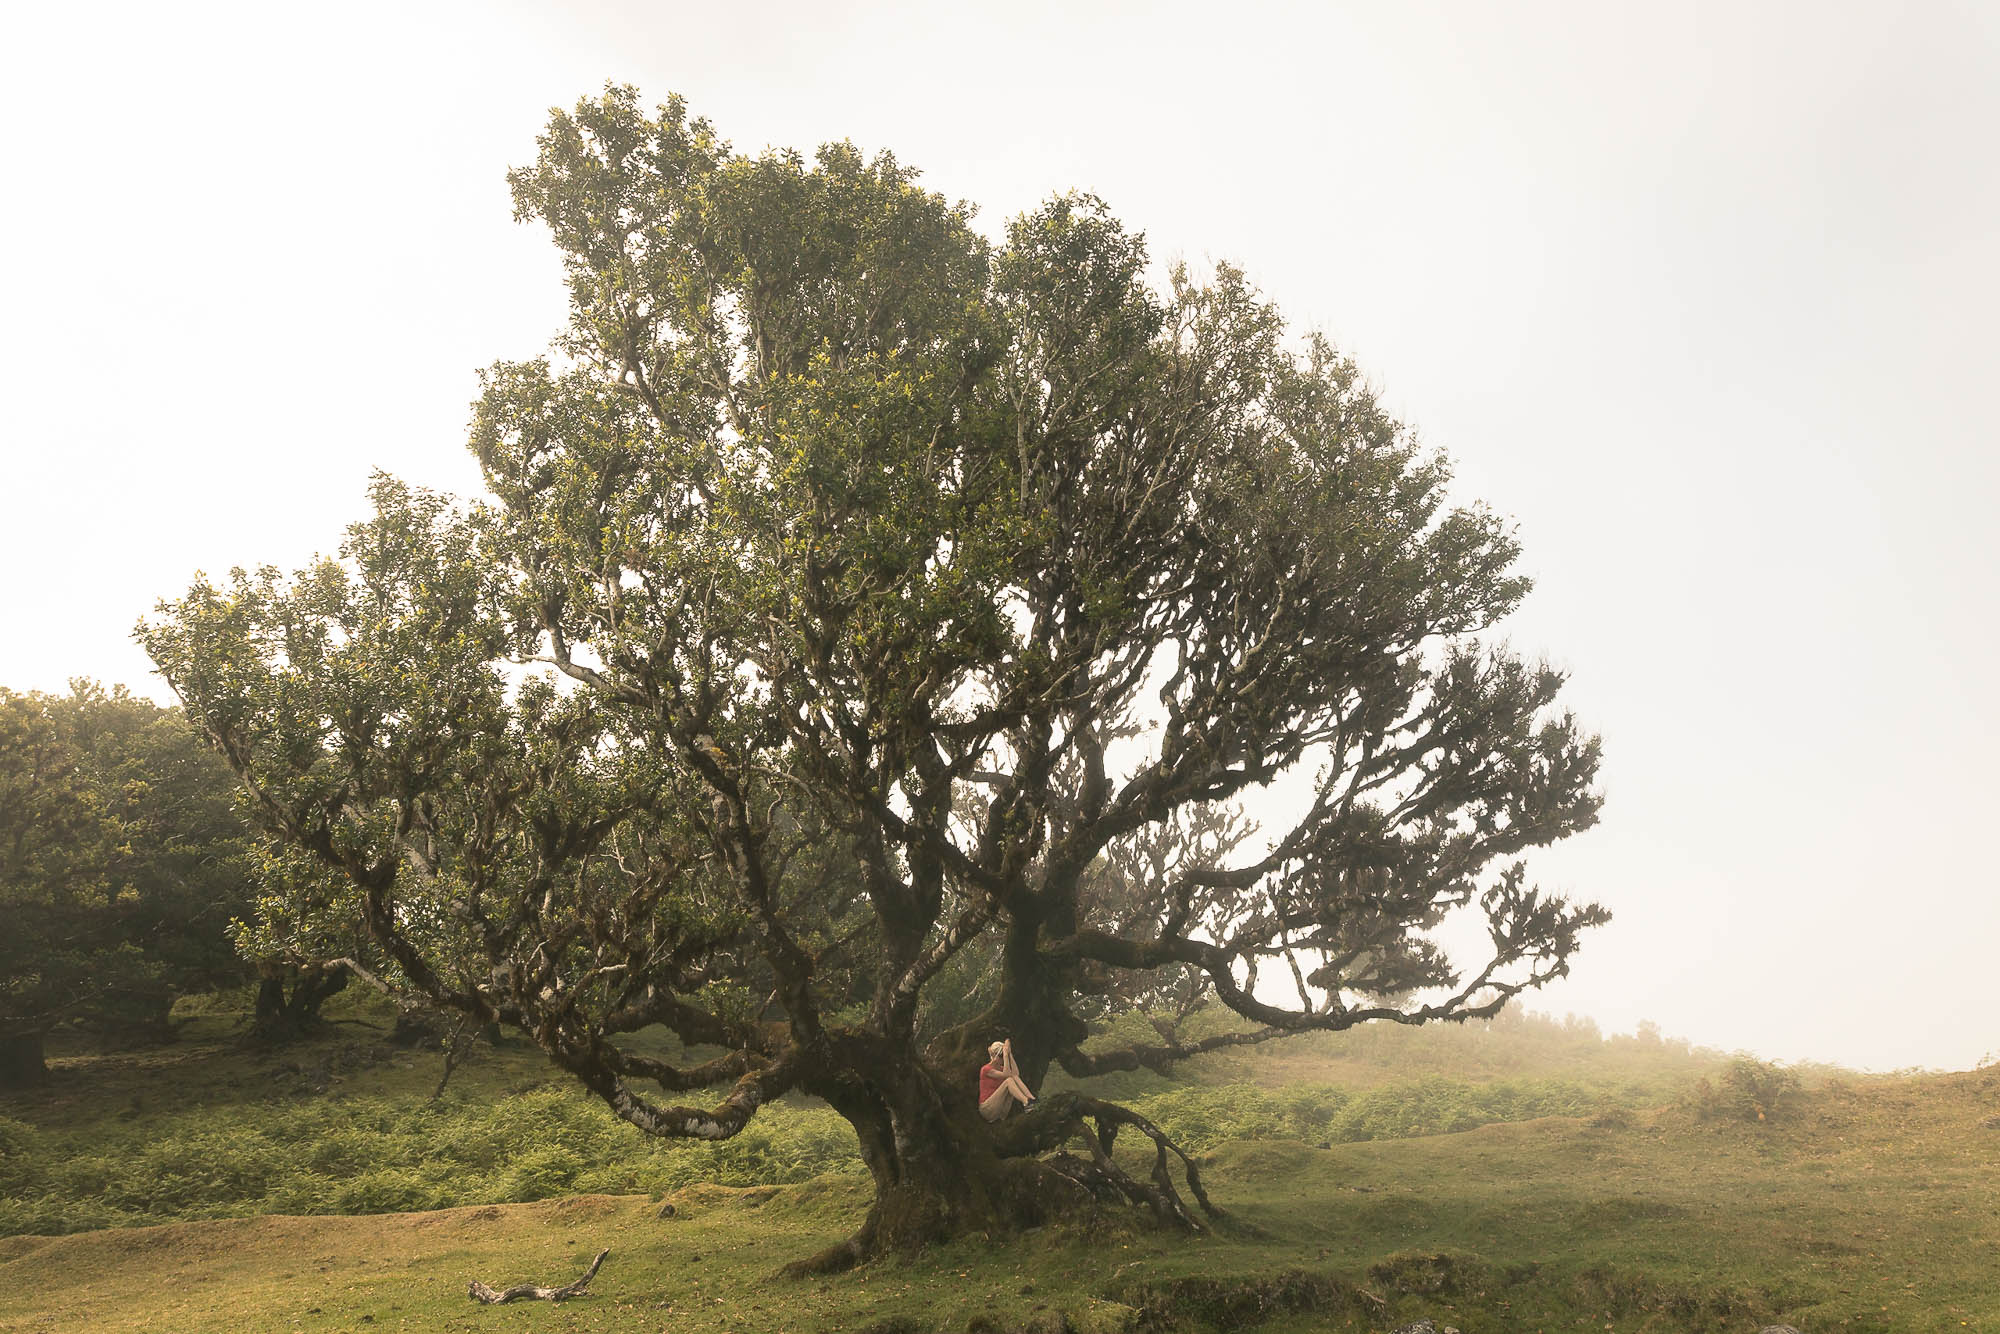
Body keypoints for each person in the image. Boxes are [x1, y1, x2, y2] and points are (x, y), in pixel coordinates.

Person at [978, 1037, 1037, 1121]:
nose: (1002, 1059)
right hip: (987, 1109)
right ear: (995, 1055)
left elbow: (1016, 1074)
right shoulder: (986, 1069)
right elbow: (1006, 1075)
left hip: (1000, 1109)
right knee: (1008, 1081)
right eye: (1001, 1056)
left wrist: (1009, 1054)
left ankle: (1031, 1099)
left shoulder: (1002, 1068)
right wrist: (1005, 1054)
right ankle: (1026, 1102)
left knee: (1013, 1077)